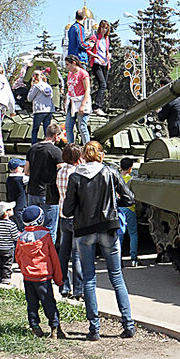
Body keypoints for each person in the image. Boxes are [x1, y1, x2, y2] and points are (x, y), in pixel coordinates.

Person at [63, 140, 136, 341]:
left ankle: (94, 329)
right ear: (100, 155)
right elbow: (130, 198)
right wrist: (114, 202)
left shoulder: (76, 176)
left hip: (84, 230)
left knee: (89, 278)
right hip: (109, 228)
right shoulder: (111, 173)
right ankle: (128, 325)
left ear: (84, 156)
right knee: (116, 277)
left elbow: (67, 210)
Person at [16, 205, 66, 338]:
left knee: (31, 303)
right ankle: (55, 328)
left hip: (28, 277)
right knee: (48, 302)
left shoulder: (21, 238)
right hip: (43, 277)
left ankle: (35, 326)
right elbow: (54, 258)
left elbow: (18, 257)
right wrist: (59, 279)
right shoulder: (45, 236)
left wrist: (24, 269)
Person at [55, 144, 83, 300]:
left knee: (63, 254)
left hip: (62, 215)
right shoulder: (77, 173)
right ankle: (79, 289)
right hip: (76, 217)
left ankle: (64, 287)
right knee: (77, 254)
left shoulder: (60, 172)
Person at [25, 123, 63, 235]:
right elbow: (62, 170)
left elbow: (26, 171)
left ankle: (33, 250)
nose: (60, 138)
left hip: (32, 192)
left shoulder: (32, 148)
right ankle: (46, 252)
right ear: (56, 135)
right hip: (49, 195)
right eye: (60, 135)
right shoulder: (56, 151)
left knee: (32, 226)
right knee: (49, 228)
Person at [64, 55, 92, 145]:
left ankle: (87, 148)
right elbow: (69, 89)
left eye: (68, 64)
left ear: (74, 63)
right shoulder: (70, 74)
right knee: (68, 126)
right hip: (71, 103)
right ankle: (70, 147)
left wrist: (83, 105)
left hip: (81, 101)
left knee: (82, 127)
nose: (67, 67)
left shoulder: (83, 73)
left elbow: (87, 89)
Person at [0, 201, 19, 284]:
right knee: (7, 264)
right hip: (8, 248)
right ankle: (6, 279)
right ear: (6, 212)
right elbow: (15, 237)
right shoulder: (11, 224)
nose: (12, 210)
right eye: (10, 209)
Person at [117, 157, 139, 268]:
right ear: (130, 169)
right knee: (133, 234)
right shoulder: (132, 180)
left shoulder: (116, 178)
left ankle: (118, 259)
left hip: (119, 209)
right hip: (130, 209)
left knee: (119, 235)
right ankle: (133, 258)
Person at [87, 19, 112, 114]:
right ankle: (97, 106)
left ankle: (98, 105)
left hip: (105, 64)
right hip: (97, 63)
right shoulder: (94, 37)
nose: (104, 30)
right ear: (99, 27)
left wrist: (109, 54)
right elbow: (88, 50)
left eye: (106, 28)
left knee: (104, 86)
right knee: (102, 84)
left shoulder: (106, 39)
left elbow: (106, 50)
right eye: (103, 27)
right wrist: (96, 56)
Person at [27, 69, 55, 145]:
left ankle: (34, 145)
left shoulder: (36, 86)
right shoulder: (48, 86)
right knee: (47, 130)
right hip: (49, 110)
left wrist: (32, 87)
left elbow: (29, 98)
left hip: (39, 110)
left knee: (35, 129)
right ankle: (49, 145)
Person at [7, 157, 27, 230]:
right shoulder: (21, 178)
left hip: (14, 206)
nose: (23, 168)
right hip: (21, 206)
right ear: (16, 168)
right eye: (21, 166)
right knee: (23, 228)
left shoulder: (9, 178)